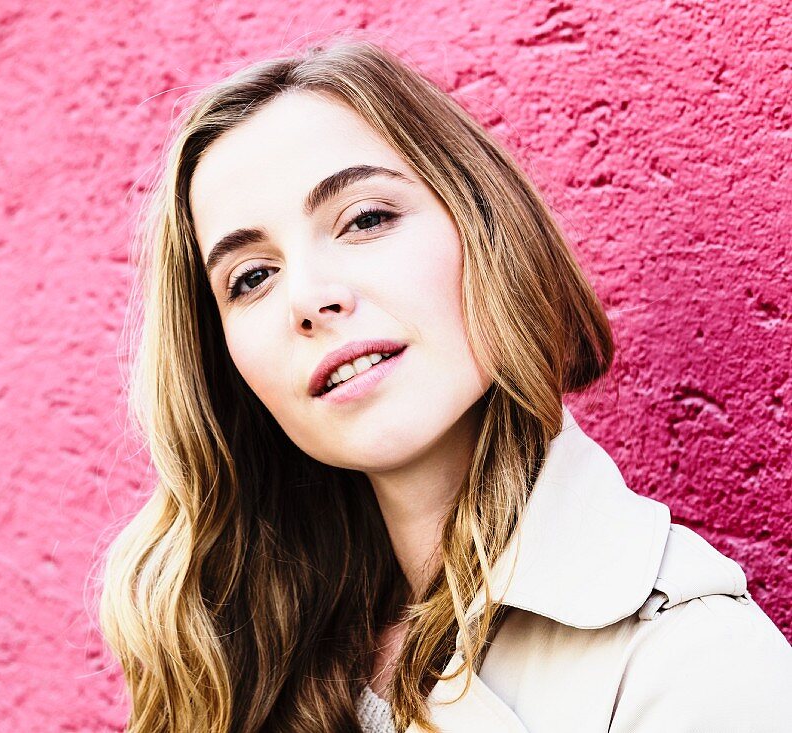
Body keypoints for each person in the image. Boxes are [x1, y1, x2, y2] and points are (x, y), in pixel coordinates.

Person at [97, 38, 792, 732]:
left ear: (485, 227)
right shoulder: (229, 650)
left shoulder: (690, 663)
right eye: (251, 277)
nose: (308, 298)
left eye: (366, 219)